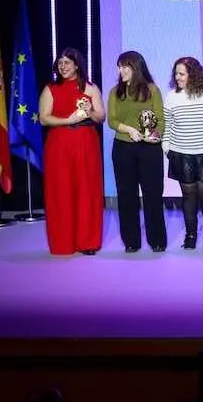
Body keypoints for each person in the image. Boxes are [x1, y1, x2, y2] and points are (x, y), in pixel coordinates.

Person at [39, 48, 105, 256]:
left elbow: (101, 117)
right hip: (59, 143)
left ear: (77, 65)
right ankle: (63, 242)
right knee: (61, 191)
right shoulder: (50, 89)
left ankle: (87, 242)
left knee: (87, 190)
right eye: (60, 63)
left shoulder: (90, 88)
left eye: (67, 63)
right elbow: (44, 118)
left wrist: (89, 110)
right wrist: (68, 120)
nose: (63, 66)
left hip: (86, 141)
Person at [163, 57, 203, 250]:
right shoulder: (171, 96)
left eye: (181, 73)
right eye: (176, 73)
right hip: (181, 154)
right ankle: (190, 236)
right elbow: (168, 125)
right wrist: (166, 146)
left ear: (193, 74)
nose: (177, 77)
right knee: (188, 196)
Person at [106, 50, 166, 253]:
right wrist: (129, 130)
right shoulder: (115, 92)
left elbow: (160, 118)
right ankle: (131, 241)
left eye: (125, 66)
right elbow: (112, 120)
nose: (120, 70)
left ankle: (157, 239)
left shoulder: (152, 90)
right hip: (123, 147)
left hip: (149, 148)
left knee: (153, 195)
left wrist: (155, 135)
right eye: (119, 66)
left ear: (136, 67)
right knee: (126, 195)